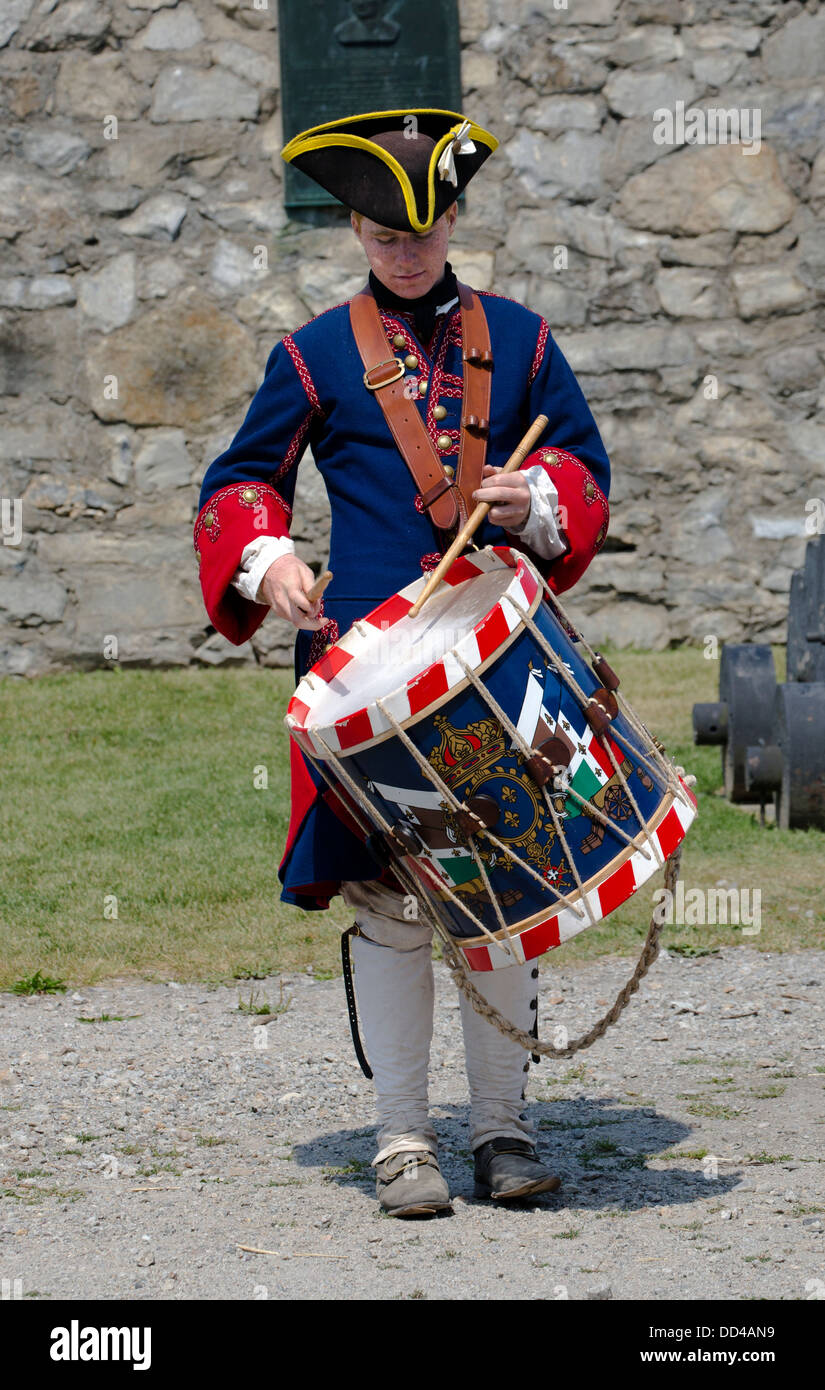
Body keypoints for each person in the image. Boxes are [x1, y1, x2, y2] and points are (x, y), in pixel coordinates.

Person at [195, 109, 610, 1216]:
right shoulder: (315, 352)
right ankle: (401, 1144)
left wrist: (539, 497)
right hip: (367, 665)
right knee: (389, 897)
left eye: (421, 234)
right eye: (384, 236)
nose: (405, 253)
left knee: (503, 885)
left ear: (453, 220)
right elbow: (239, 482)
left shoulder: (521, 340)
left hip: (496, 651)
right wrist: (267, 561)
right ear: (356, 231)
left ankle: (506, 1133)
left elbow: (583, 463)